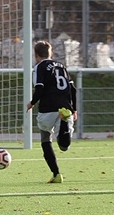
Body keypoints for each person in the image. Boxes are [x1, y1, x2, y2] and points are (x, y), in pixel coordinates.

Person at [26, 40, 78, 183]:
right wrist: (75, 109)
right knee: (64, 146)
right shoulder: (62, 66)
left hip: (47, 108)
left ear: (36, 54)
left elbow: (40, 88)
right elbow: (72, 89)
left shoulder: (39, 67)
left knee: (45, 138)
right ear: (51, 53)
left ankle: (56, 174)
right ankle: (64, 126)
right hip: (65, 107)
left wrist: (32, 102)